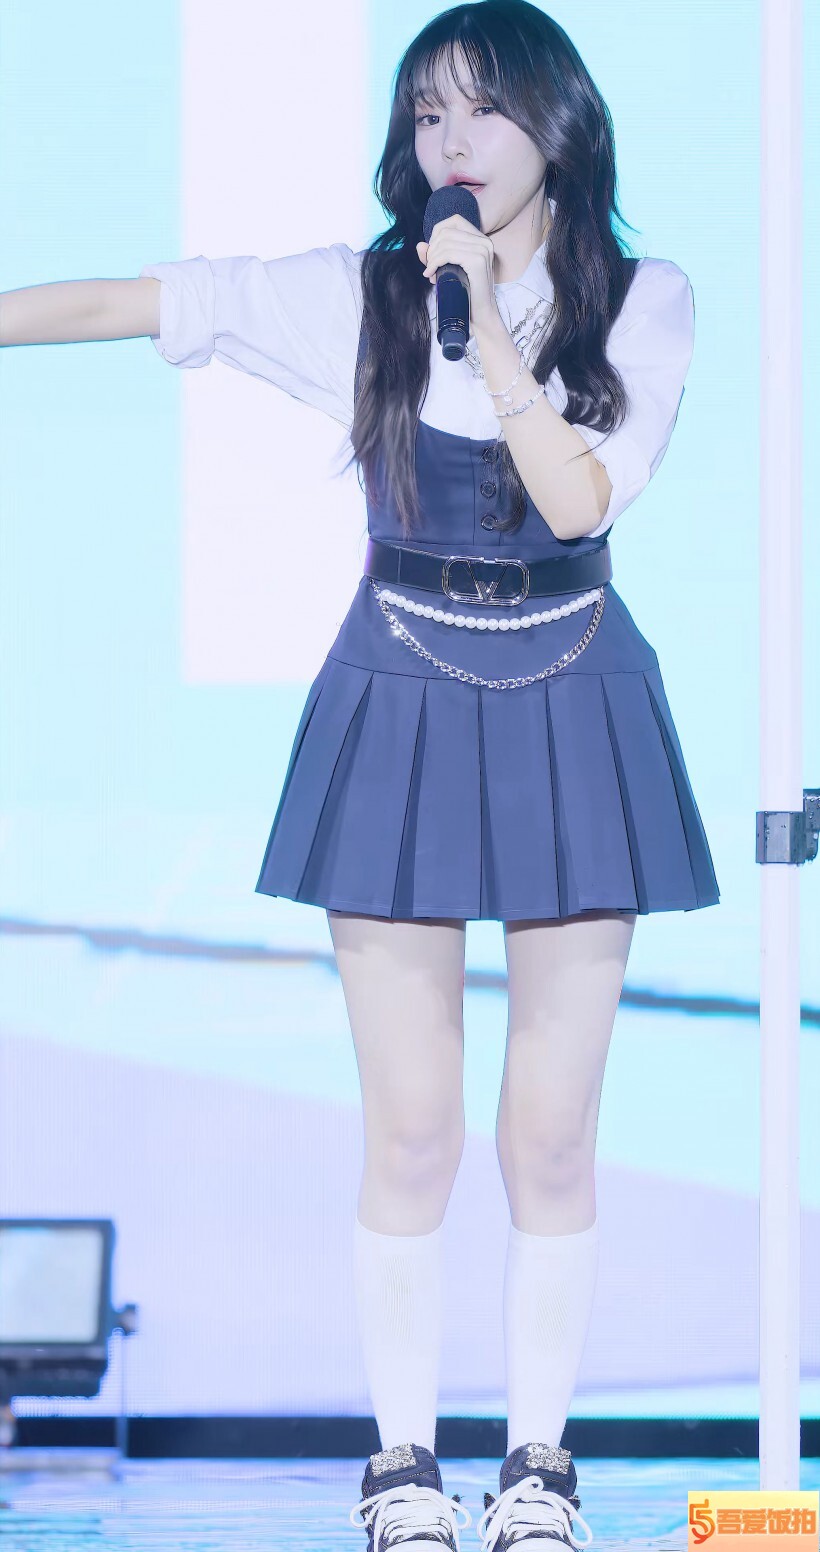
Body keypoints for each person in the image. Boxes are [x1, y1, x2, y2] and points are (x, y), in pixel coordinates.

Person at [0, 2, 720, 1547]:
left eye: (481, 111)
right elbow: (137, 299)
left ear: (560, 127)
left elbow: (579, 500)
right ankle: (403, 1467)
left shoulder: (643, 302)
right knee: (412, 1127)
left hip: (574, 693)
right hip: (399, 686)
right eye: (425, 116)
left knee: (552, 1132)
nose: (449, 144)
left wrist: (495, 333)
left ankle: (539, 1467)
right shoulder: (360, 297)